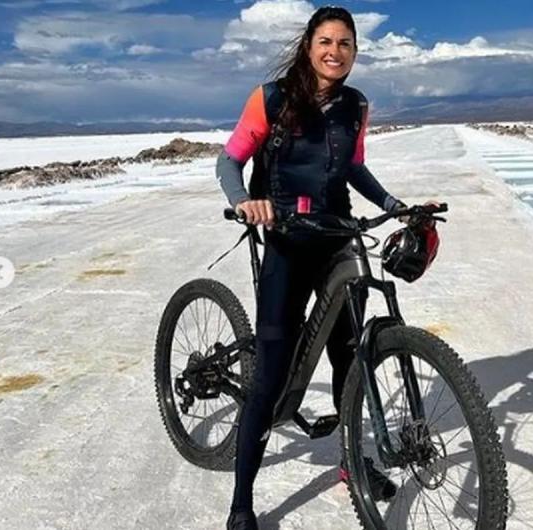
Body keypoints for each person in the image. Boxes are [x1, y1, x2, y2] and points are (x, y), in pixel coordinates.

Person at [216, 6, 402, 530]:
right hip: (286, 240)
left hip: (337, 236)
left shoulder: (355, 105)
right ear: (308, 45)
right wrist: (243, 202)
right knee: (271, 373)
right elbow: (229, 160)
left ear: (354, 52)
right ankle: (241, 503)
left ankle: (351, 461)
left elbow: (354, 166)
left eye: (345, 44)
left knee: (350, 356)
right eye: (326, 41)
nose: (334, 52)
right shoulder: (271, 99)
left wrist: (393, 204)